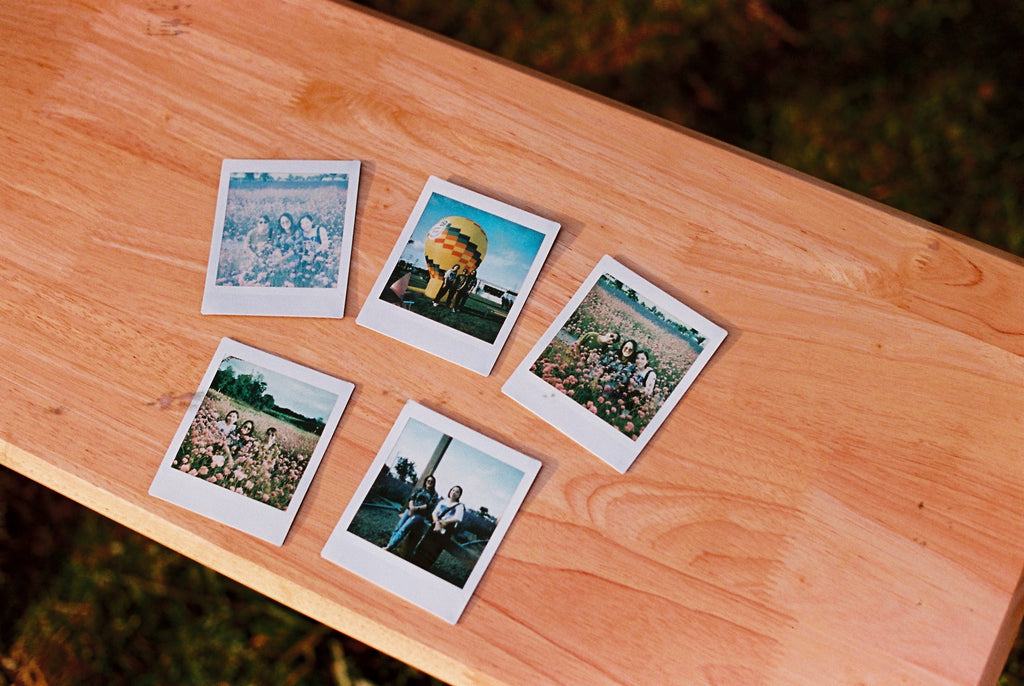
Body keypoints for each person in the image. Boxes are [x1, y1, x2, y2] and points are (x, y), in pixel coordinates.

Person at [411, 485, 466, 570]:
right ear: (450, 491)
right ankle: (414, 563)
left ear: (459, 495)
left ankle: (424, 568)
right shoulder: (443, 501)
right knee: (424, 544)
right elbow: (434, 513)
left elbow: (458, 518)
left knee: (435, 549)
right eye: (453, 490)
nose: (454, 492)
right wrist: (437, 522)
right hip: (435, 526)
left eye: (457, 492)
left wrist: (442, 522)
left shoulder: (459, 506)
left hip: (446, 530)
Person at [384, 475, 439, 552]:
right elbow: (412, 498)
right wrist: (411, 507)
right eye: (428, 481)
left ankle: (390, 547)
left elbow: (429, 505)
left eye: (432, 482)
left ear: (434, 483)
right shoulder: (420, 489)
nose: (429, 482)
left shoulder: (434, 494)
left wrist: (415, 509)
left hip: (419, 515)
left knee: (404, 529)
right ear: (425, 481)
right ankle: (389, 544)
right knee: (398, 527)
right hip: (410, 509)